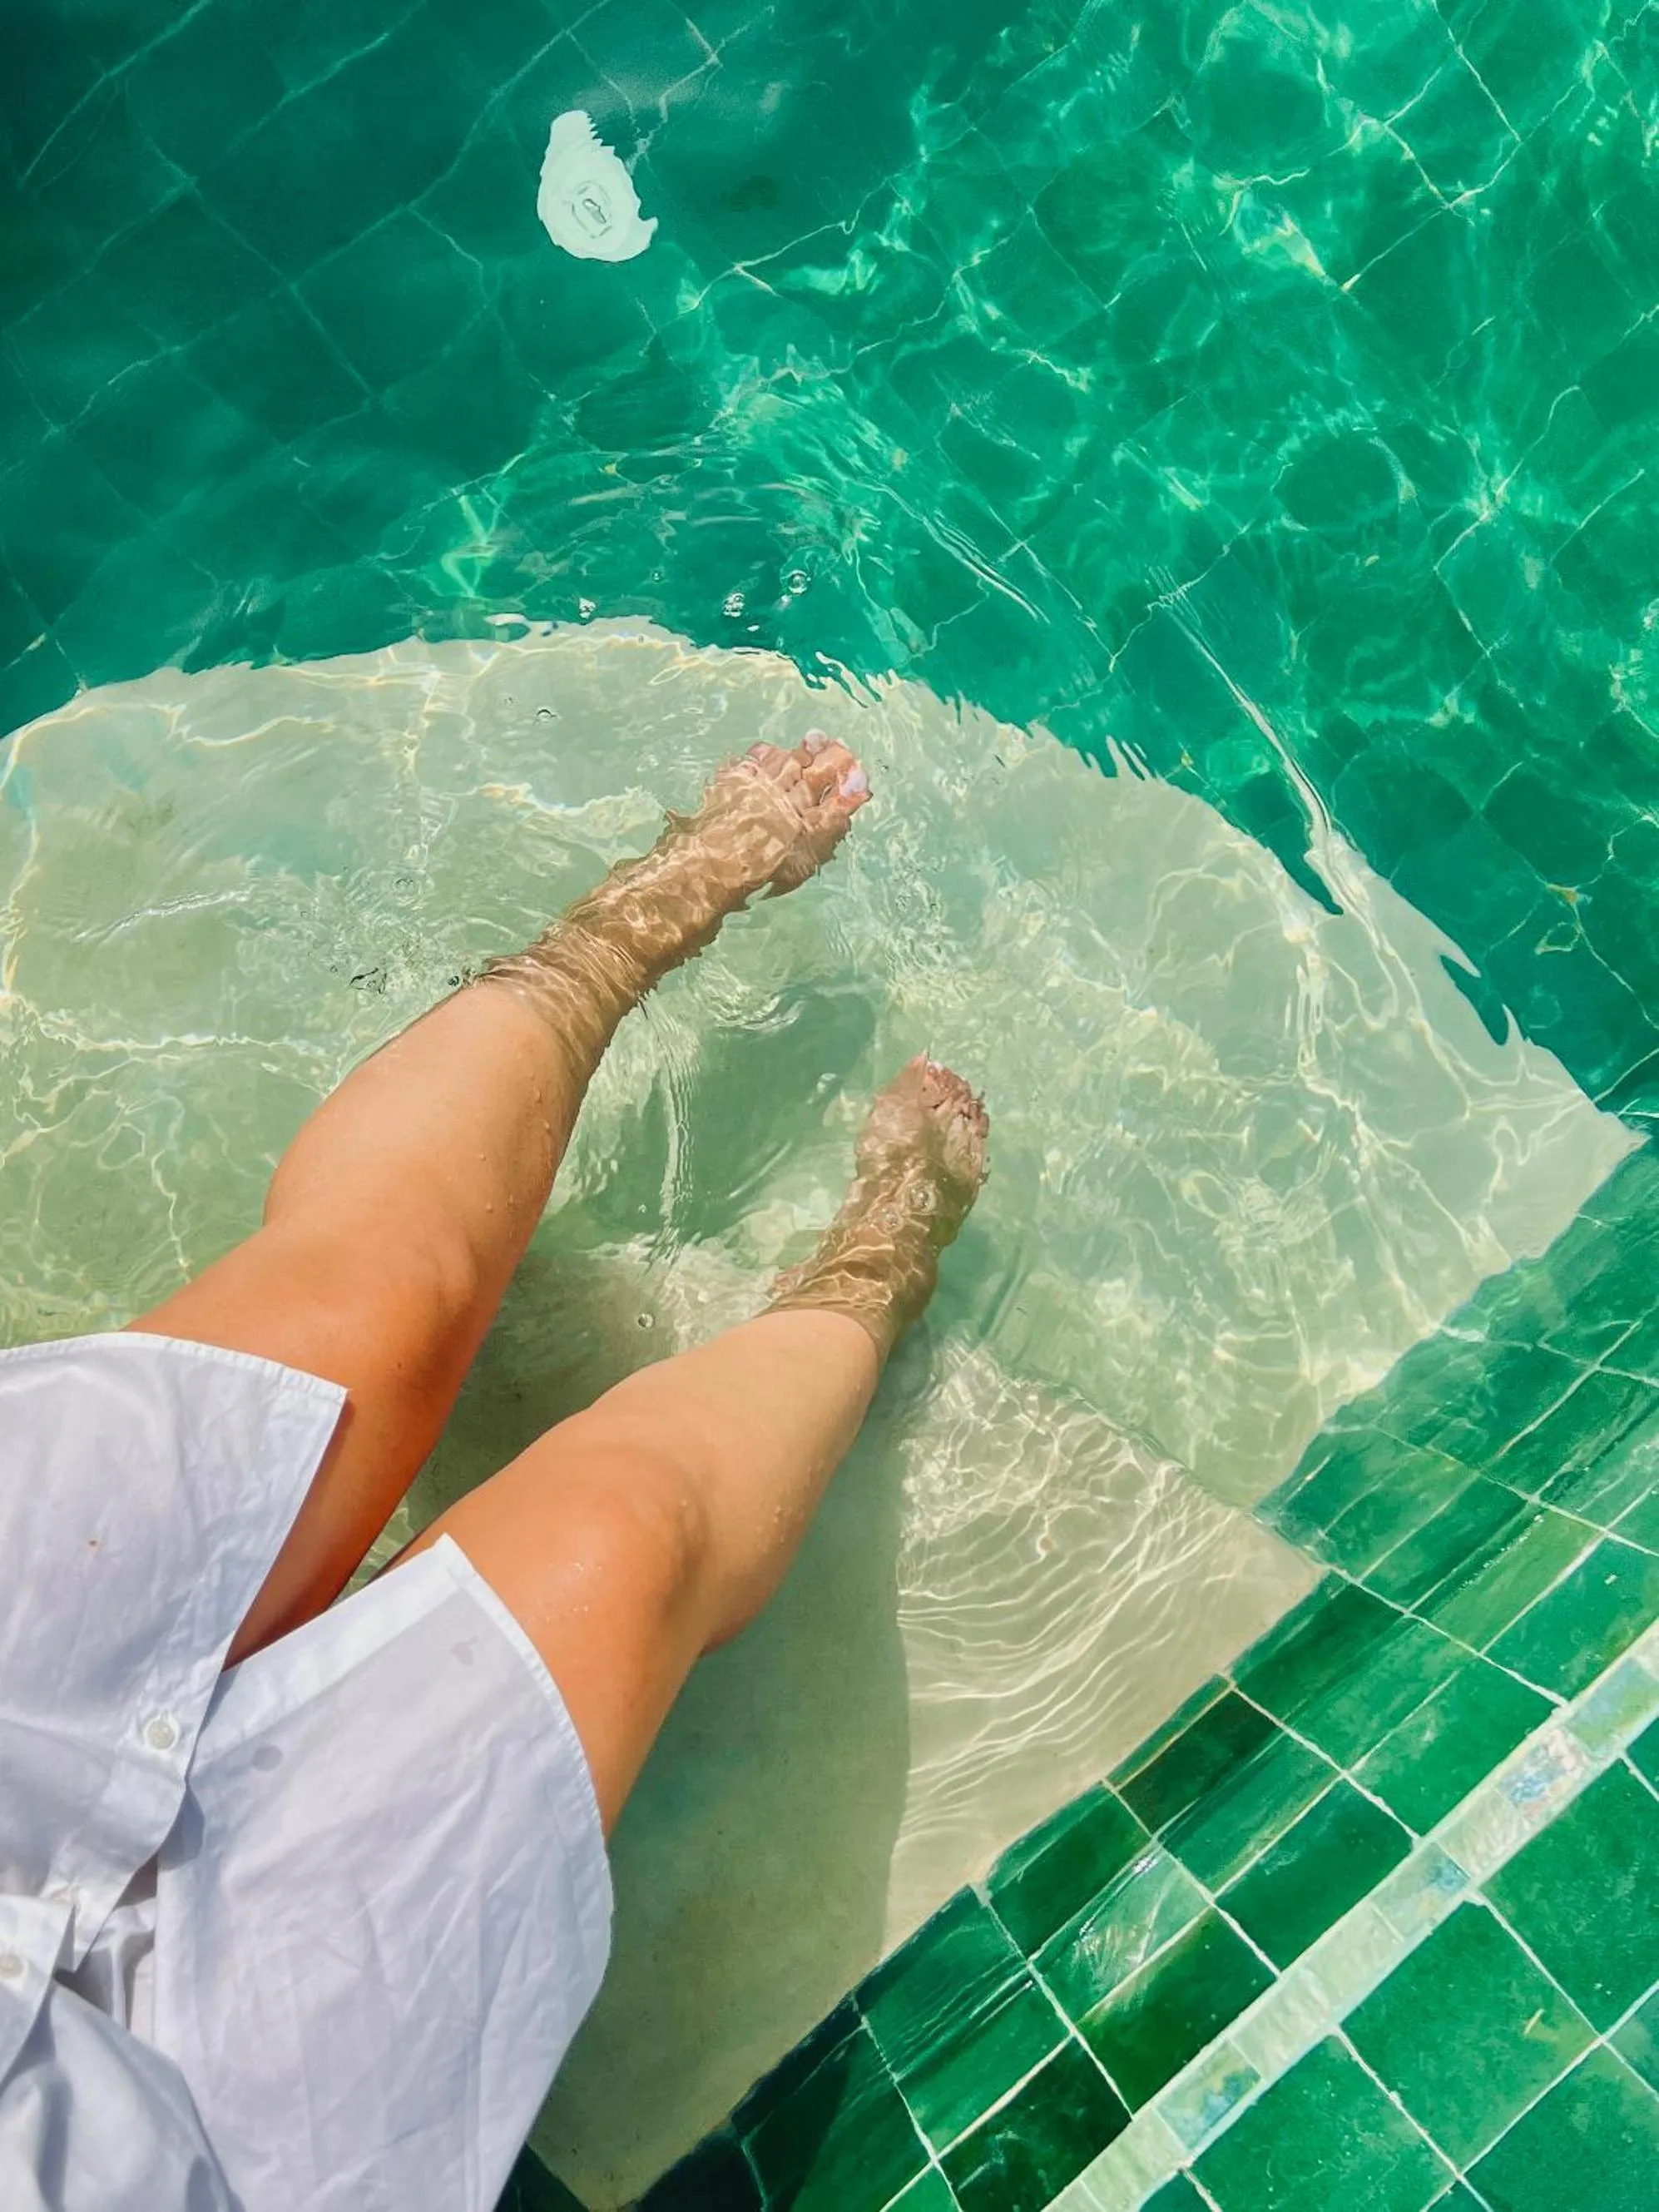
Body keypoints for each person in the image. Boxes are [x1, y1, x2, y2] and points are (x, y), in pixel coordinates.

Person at [0, 730, 988, 2212]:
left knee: (375, 1293)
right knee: (625, 1537)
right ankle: (874, 1269)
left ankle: (640, 915)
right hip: (187, 2157)